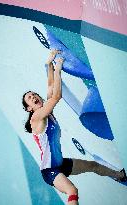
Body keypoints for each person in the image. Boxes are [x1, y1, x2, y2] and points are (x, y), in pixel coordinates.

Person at [22, 50, 127, 205]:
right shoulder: (37, 118)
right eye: (30, 99)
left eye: (34, 95)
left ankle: (120, 175)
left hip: (60, 164)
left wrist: (48, 63)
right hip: (50, 170)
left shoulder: (45, 110)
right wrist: (58, 69)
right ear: (29, 108)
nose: (33, 97)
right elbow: (57, 96)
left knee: (93, 165)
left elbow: (51, 86)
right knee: (72, 190)